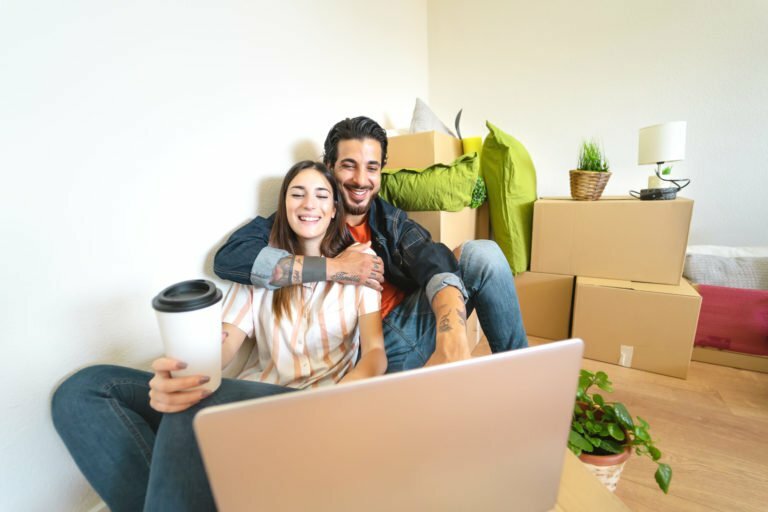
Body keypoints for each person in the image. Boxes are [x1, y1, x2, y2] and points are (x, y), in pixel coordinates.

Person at [51, 161, 386, 511]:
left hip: (312, 412)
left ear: (334, 210)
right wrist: (182, 375)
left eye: (321, 195)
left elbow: (375, 351)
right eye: (296, 194)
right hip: (251, 405)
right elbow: (223, 346)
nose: (308, 204)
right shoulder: (262, 273)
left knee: (196, 403)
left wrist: (342, 397)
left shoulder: (360, 265)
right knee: (82, 391)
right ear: (284, 206)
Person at [214, 116, 527, 372]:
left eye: (372, 168)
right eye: (349, 165)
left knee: (479, 254)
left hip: (404, 332)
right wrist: (337, 268)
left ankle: (522, 379)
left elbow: (430, 257)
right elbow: (231, 258)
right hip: (358, 355)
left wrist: (453, 332)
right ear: (329, 166)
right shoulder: (304, 219)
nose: (361, 179)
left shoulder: (388, 220)